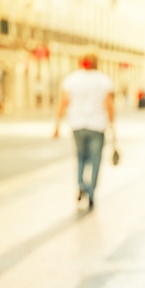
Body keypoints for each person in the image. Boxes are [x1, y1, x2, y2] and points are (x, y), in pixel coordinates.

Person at [53, 51, 114, 209]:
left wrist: (57, 125)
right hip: (97, 125)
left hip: (77, 124)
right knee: (95, 160)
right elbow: (109, 105)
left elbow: (64, 102)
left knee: (80, 157)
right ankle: (91, 191)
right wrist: (113, 126)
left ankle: (81, 184)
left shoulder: (72, 79)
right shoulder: (103, 80)